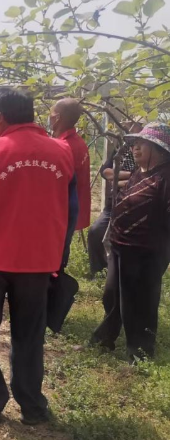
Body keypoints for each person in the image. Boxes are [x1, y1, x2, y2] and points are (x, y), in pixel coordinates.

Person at [0, 89, 78, 426]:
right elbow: (71, 211)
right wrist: (56, 252)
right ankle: (32, 406)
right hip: (38, 262)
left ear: (0, 117)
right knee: (30, 335)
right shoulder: (62, 152)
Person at [90, 123, 170, 362]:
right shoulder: (141, 171)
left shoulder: (166, 176)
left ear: (159, 149)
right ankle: (104, 339)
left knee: (141, 303)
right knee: (112, 296)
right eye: (135, 143)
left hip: (146, 252)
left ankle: (140, 355)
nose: (135, 147)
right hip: (121, 246)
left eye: (143, 144)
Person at [87, 122, 141, 279]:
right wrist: (129, 176)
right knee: (96, 232)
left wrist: (119, 179)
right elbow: (106, 171)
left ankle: (121, 274)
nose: (129, 128)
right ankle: (99, 271)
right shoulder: (122, 148)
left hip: (134, 206)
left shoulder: (148, 153)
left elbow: (143, 178)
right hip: (113, 205)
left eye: (133, 125)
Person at [50, 98, 92, 270]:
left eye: (52, 113)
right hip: (70, 210)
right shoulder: (78, 142)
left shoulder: (63, 146)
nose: (49, 116)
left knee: (55, 256)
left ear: (58, 117)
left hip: (61, 211)